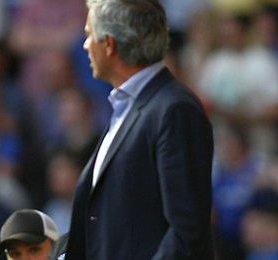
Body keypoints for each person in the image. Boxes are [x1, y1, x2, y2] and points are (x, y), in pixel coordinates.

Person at [66, 1, 214, 259]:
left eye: (89, 35)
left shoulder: (174, 110)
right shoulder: (128, 108)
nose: (85, 45)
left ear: (109, 44)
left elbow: (186, 231)